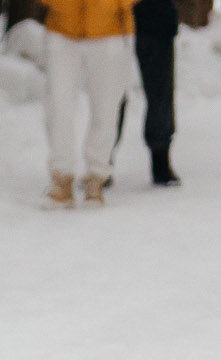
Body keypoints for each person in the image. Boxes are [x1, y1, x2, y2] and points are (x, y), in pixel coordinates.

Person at [41, 0, 136, 206]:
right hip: (61, 26)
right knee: (58, 105)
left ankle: (97, 175)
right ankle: (61, 176)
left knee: (106, 107)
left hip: (111, 28)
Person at [132, 0, 181, 186]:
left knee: (160, 91)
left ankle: (160, 157)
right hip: (111, 20)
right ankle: (101, 161)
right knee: (110, 95)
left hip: (157, 17)